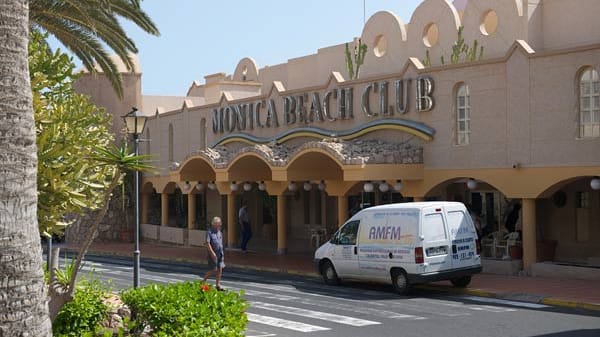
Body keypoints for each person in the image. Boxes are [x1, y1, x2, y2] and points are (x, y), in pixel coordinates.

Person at [202, 216, 225, 291]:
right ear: (214, 224)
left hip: (220, 253)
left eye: (220, 223)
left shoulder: (219, 232)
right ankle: (203, 281)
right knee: (213, 270)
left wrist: (223, 254)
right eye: (218, 224)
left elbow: (221, 244)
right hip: (213, 254)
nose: (220, 225)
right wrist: (212, 253)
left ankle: (218, 285)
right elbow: (207, 243)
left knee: (220, 269)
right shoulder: (209, 232)